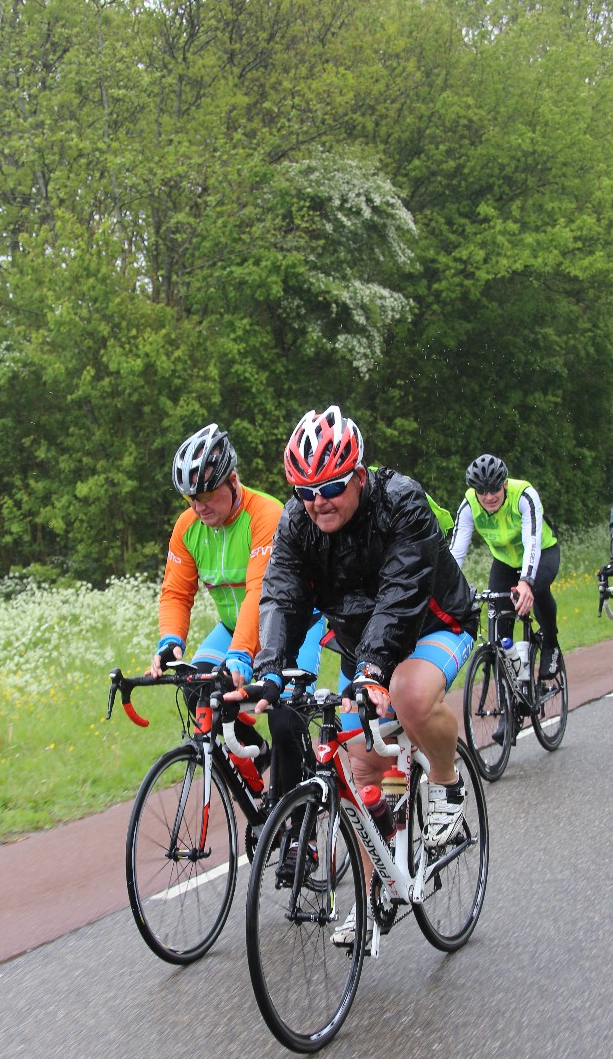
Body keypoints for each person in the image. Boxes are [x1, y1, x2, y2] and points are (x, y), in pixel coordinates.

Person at [237, 405, 478, 950]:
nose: (318, 501)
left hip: (432, 624)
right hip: (361, 645)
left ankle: (447, 783)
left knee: (408, 696)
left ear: (360, 477)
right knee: (362, 768)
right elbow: (282, 594)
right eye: (305, 491)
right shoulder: (299, 522)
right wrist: (268, 669)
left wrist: (372, 672)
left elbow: (401, 595)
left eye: (331, 487)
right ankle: (376, 895)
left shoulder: (402, 502)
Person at [149, 422, 323, 798]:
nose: (199, 506)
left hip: (292, 630)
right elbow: (176, 592)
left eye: (207, 494)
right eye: (190, 498)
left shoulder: (266, 515)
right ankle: (259, 756)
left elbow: (261, 592)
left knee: (284, 720)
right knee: (196, 689)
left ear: (232, 481)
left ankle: (297, 823)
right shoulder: (187, 527)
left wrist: (242, 652)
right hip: (233, 628)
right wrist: (170, 640)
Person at [450, 455, 562, 679]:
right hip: (505, 562)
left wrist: (526, 582)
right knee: (500, 623)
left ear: (505, 484)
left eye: (494, 489)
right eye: (482, 491)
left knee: (537, 591)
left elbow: (531, 541)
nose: (489, 496)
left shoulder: (524, 495)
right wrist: (447, 589)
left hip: (542, 553)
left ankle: (551, 643)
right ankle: (512, 683)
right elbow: (456, 552)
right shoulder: (469, 505)